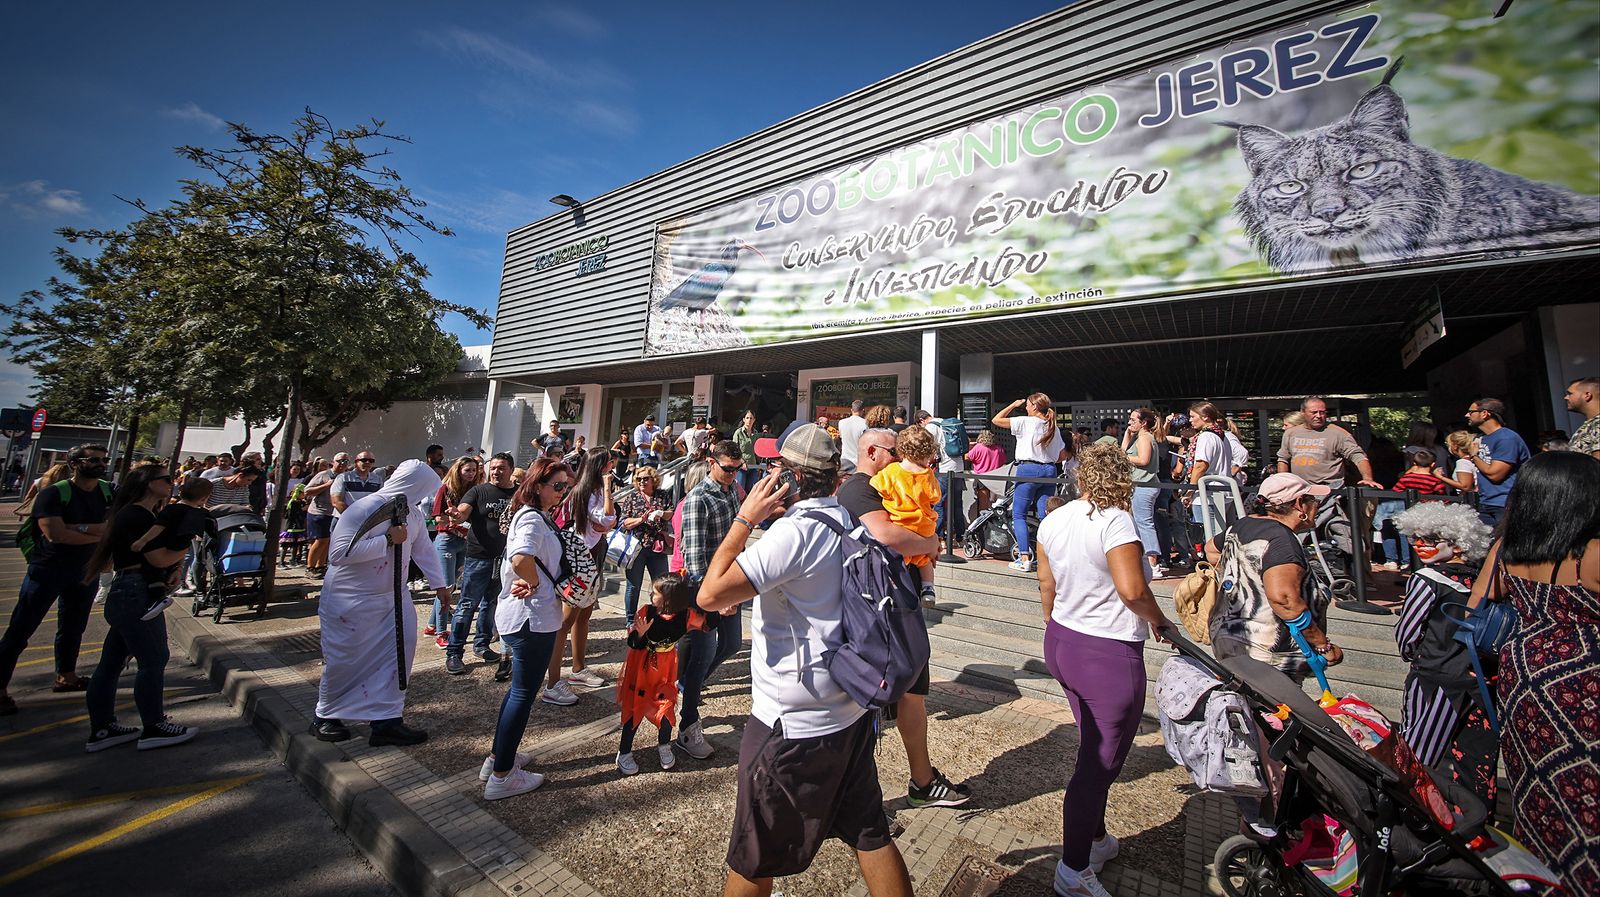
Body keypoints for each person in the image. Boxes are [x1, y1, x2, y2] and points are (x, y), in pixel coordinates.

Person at [697, 424, 914, 897]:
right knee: (869, 831)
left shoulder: (792, 534)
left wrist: (744, 519)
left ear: (790, 478)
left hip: (792, 722)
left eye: (775, 467)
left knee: (753, 856)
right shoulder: (850, 517)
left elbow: (710, 594)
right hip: (849, 708)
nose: (768, 472)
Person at [1034, 443, 1174, 896]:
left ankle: (1094, 840)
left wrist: (1056, 624)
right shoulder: (1115, 520)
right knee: (1097, 766)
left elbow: (1046, 583)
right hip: (1106, 652)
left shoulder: (1055, 518)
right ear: (1121, 479)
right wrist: (1162, 621)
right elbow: (1132, 590)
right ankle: (1073, 871)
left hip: (1063, 641)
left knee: (1093, 748)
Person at [1467, 451, 1600, 889]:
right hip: (1583, 678)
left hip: (1526, 673)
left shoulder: (1510, 547)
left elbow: (1475, 607)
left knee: (1543, 788)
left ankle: (1545, 876)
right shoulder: (1592, 553)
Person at [839, 427, 969, 808]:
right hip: (876, 610)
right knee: (865, 703)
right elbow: (885, 534)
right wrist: (931, 543)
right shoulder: (859, 488)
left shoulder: (892, 480)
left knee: (914, 693)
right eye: (894, 452)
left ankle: (923, 782)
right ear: (873, 451)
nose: (900, 458)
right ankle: (853, 799)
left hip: (903, 601)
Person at [310, 461, 453, 746]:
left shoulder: (410, 512)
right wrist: (387, 539)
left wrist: (439, 584)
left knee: (395, 658)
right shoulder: (365, 509)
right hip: (352, 602)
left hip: (393, 599)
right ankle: (326, 716)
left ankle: (387, 719)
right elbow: (339, 554)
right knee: (345, 660)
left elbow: (423, 548)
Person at [78, 465, 201, 750]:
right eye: (166, 479)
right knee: (154, 659)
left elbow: (157, 561)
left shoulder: (143, 515)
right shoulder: (137, 515)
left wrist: (173, 568)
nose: (173, 483)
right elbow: (156, 558)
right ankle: (154, 725)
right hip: (136, 593)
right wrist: (185, 546)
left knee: (111, 664)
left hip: (130, 591)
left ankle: (103, 729)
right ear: (148, 484)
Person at [1391, 501, 1497, 807]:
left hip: (1435, 678)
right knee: (1477, 762)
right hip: (1480, 680)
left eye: (1431, 539)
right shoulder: (1483, 580)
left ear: (1459, 542)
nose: (1420, 546)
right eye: (1415, 539)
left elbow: (1407, 633)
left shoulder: (1426, 580)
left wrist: (1416, 655)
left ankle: (1407, 813)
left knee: (1415, 755)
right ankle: (1474, 822)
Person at [481, 458, 573, 801]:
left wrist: (531, 580)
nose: (562, 492)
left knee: (518, 691)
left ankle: (498, 758)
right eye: (557, 486)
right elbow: (521, 558)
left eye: (566, 486)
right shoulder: (533, 518)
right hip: (530, 619)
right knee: (523, 692)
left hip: (526, 617)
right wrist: (533, 583)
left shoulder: (536, 516)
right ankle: (503, 775)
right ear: (536, 486)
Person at [0, 444, 112, 714]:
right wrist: (99, 534)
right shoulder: (53, 493)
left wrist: (80, 529)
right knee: (21, 629)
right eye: (93, 460)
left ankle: (66, 676)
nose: (100, 463)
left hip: (85, 569)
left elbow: (112, 526)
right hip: (48, 569)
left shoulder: (107, 491)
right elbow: (56, 535)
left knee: (74, 626)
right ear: (74, 464)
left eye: (103, 459)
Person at [1206, 473, 1343, 678]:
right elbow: (1284, 600)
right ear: (1299, 504)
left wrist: (1245, 576)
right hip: (1267, 652)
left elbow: (1211, 551)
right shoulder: (1282, 540)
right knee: (1279, 707)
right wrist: (1323, 645)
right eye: (1312, 500)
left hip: (1230, 638)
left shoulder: (1243, 525)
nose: (1316, 505)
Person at [674, 439, 747, 759]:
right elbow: (694, 559)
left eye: (737, 469)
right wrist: (716, 598)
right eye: (728, 468)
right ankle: (688, 728)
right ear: (712, 463)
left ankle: (688, 685)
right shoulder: (697, 500)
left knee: (732, 645)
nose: (733, 474)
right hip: (705, 593)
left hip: (729, 586)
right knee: (701, 655)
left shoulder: (732, 491)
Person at [615, 573, 712, 776]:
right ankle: (624, 752)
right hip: (642, 669)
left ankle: (664, 745)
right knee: (635, 709)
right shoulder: (646, 612)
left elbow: (706, 624)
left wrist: (720, 606)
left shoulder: (685, 616)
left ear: (669, 599)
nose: (651, 593)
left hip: (665, 671)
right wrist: (639, 634)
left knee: (666, 707)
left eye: (656, 592)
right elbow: (632, 642)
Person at [543, 446, 616, 700]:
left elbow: (606, 521)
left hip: (592, 558)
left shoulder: (589, 491)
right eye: (609, 463)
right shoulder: (584, 492)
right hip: (579, 562)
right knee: (566, 620)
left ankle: (577, 667)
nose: (612, 467)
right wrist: (608, 490)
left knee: (584, 615)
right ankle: (552, 682)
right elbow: (607, 518)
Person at [446, 452, 517, 674]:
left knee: (491, 604)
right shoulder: (478, 491)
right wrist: (456, 515)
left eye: (501, 467)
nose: (496, 471)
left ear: (511, 470)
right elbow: (462, 513)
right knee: (468, 604)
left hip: (504, 560)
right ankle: (454, 652)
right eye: (493, 467)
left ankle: (482, 645)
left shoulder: (518, 493)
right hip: (478, 558)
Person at [992, 393, 1067, 573]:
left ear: (1034, 407)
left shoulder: (1025, 422)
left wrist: (1013, 404)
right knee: (1046, 515)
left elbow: (996, 420)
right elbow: (1060, 456)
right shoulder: (1053, 427)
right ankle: (1051, 557)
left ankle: (1024, 557)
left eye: (1027, 404)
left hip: (1028, 469)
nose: (1025, 407)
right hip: (1049, 471)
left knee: (1019, 514)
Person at [871, 425, 942, 604]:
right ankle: (928, 588)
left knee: (900, 557)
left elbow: (876, 484)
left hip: (900, 523)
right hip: (923, 526)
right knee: (925, 559)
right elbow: (935, 496)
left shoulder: (892, 471)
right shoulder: (928, 475)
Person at [426, 455, 480, 643]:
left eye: (474, 470)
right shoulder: (446, 489)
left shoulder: (474, 490)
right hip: (446, 540)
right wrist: (455, 521)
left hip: (464, 541)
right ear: (458, 470)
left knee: (450, 586)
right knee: (446, 587)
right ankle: (441, 633)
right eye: (467, 470)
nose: (471, 474)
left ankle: (432, 625)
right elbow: (437, 517)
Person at [1274, 397, 1382, 489]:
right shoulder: (1291, 433)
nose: (1319, 416)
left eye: (1322, 412)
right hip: (1300, 489)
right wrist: (1283, 482)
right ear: (1303, 412)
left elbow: (1358, 456)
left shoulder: (1338, 433)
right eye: (1314, 412)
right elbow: (1283, 459)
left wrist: (1367, 478)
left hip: (1330, 490)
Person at [1463, 397, 1531, 528]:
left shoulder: (1507, 438)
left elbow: (1495, 474)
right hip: (1486, 503)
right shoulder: (1481, 438)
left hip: (1506, 503)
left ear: (1485, 413)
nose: (1467, 415)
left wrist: (1474, 455)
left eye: (1471, 412)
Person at [1377, 450, 1450, 568]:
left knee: (1409, 536)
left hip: (1410, 512)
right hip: (1428, 514)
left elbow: (1397, 490)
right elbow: (1442, 497)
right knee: (1426, 539)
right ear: (1433, 464)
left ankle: (1407, 561)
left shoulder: (1407, 478)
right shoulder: (1435, 481)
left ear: (1414, 463)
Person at [617, 465, 673, 621]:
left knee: (662, 585)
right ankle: (630, 621)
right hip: (636, 548)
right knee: (633, 586)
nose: (641, 481)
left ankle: (660, 617)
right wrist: (640, 520)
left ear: (653, 479)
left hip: (657, 547)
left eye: (645, 478)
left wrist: (661, 513)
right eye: (638, 479)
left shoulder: (662, 495)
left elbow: (671, 513)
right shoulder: (632, 498)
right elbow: (624, 523)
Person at [1122, 409, 1163, 578]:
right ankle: (1147, 558)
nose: (1129, 423)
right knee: (1139, 522)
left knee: (1144, 522)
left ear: (1143, 422)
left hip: (1144, 485)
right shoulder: (1139, 437)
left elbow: (1143, 460)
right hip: (1140, 485)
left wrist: (1125, 459)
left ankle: (1153, 562)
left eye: (1133, 420)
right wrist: (1127, 434)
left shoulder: (1145, 438)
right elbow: (1123, 450)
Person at [303, 455, 347, 576]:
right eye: (340, 461)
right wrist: (326, 485)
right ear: (333, 462)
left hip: (334, 513)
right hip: (319, 512)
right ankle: (310, 567)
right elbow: (307, 491)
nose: (342, 463)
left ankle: (320, 566)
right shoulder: (323, 474)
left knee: (327, 541)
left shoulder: (346, 476)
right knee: (320, 540)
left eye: (346, 461)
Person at [965, 428, 1007, 516]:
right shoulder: (999, 449)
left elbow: (967, 457)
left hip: (982, 478)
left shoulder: (979, 447)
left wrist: (969, 447)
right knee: (996, 504)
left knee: (983, 506)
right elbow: (1003, 462)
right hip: (996, 479)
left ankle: (983, 526)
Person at [1563, 376, 1600, 458]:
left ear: (1587, 395)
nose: (1566, 398)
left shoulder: (1598, 424)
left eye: (1570, 394)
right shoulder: (1591, 424)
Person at [732, 410, 762, 493]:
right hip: (741, 467)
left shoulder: (756, 434)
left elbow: (757, 450)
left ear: (754, 420)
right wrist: (741, 462)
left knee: (752, 491)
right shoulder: (738, 433)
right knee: (740, 491)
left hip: (753, 466)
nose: (749, 420)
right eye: (747, 418)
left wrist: (759, 465)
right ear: (744, 419)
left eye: (751, 418)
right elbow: (734, 450)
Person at [838, 399, 868, 473]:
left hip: (844, 461)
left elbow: (841, 438)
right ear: (863, 410)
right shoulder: (866, 424)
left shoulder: (841, 423)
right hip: (859, 463)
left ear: (851, 410)